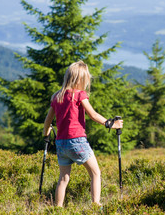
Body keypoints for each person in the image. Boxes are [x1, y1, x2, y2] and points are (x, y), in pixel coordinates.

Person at [43, 60, 123, 207]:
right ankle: (95, 205)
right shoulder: (79, 95)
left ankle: (58, 209)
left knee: (63, 178)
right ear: (80, 79)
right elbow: (93, 114)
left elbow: (48, 121)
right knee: (95, 173)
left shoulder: (57, 97)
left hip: (61, 143)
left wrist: (46, 134)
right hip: (77, 141)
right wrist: (111, 124)